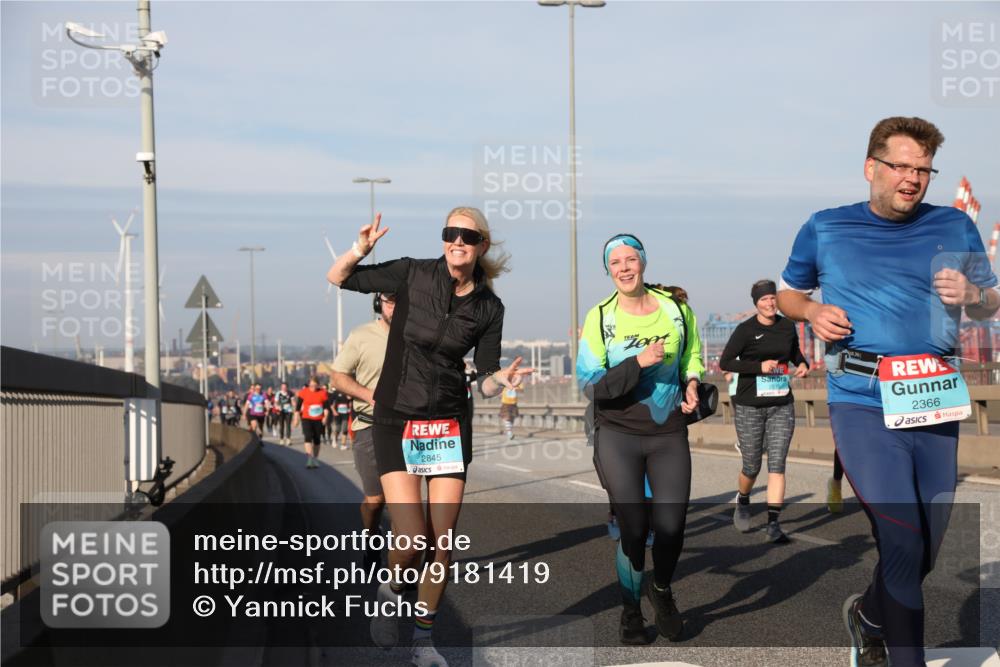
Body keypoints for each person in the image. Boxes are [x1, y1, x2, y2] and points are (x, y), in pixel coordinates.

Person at [777, 116, 998, 666]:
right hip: (861, 399)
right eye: (902, 165)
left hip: (934, 397)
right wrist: (812, 310)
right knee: (900, 541)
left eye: (923, 169)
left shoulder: (953, 225)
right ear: (871, 167)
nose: (913, 178)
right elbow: (788, 294)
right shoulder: (825, 227)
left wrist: (973, 291)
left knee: (925, 546)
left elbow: (991, 303)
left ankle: (868, 617)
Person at [327, 207, 530, 666]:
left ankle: (423, 641)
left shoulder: (488, 307)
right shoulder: (411, 274)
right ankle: (390, 588)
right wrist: (361, 248)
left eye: (467, 235)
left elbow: (486, 376)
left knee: (444, 540)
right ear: (443, 240)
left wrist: (503, 383)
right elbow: (338, 277)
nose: (457, 240)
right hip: (397, 418)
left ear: (481, 245)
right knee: (413, 536)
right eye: (450, 232)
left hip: (448, 424)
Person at [576, 233, 704, 645]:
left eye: (631, 259)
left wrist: (693, 382)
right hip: (617, 432)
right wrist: (638, 362)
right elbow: (590, 383)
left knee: (671, 526)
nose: (625, 268)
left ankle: (661, 589)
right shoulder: (600, 317)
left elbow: (693, 356)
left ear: (643, 263)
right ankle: (631, 613)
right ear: (608, 271)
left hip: (667, 431)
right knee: (634, 527)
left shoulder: (676, 309)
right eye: (616, 262)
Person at [720, 279, 809, 543]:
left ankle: (773, 523)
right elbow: (726, 362)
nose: (769, 304)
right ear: (756, 304)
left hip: (781, 403)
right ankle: (743, 499)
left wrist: (802, 364)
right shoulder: (746, 330)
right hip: (750, 405)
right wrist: (760, 367)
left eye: (773, 299)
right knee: (751, 465)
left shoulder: (786, 326)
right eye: (763, 300)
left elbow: (795, 353)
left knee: (777, 464)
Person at [330, 292, 396, 569]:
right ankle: (371, 537)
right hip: (370, 426)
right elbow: (337, 376)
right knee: (375, 499)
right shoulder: (362, 336)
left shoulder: (420, 336)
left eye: (402, 300)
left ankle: (403, 560)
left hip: (410, 428)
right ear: (378, 303)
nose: (396, 306)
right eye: (390, 300)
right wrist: (368, 394)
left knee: (405, 501)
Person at [294, 377, 329, 469]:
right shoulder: (304, 392)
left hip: (318, 419)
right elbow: (297, 407)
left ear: (318, 385)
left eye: (315, 385)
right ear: (308, 385)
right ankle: (309, 458)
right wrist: (296, 418)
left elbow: (326, 407)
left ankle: (315, 459)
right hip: (306, 418)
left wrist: (325, 417)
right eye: (311, 385)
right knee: (308, 436)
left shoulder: (323, 393)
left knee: (317, 439)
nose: (313, 387)